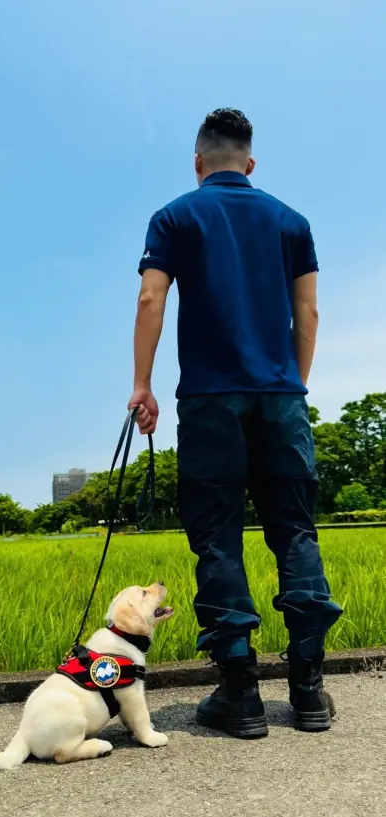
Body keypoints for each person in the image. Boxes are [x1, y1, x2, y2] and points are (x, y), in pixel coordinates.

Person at [128, 108, 343, 739]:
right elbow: (309, 314)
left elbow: (150, 297)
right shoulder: (292, 221)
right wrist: (293, 384)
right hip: (281, 396)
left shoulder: (174, 216)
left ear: (198, 162)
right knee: (295, 532)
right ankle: (308, 689)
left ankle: (241, 694)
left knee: (218, 538)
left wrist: (142, 385)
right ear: (250, 163)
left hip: (208, 399)